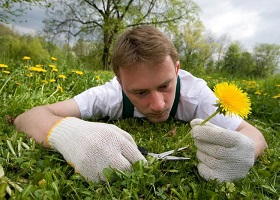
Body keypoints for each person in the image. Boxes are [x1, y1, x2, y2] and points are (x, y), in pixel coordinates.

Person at [14, 25, 267, 183]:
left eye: (165, 86)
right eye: (140, 92)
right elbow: (29, 116)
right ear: (120, 82)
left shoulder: (198, 94)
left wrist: (244, 152)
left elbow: (254, 136)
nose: (157, 104)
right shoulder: (108, 95)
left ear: (177, 69)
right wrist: (68, 133)